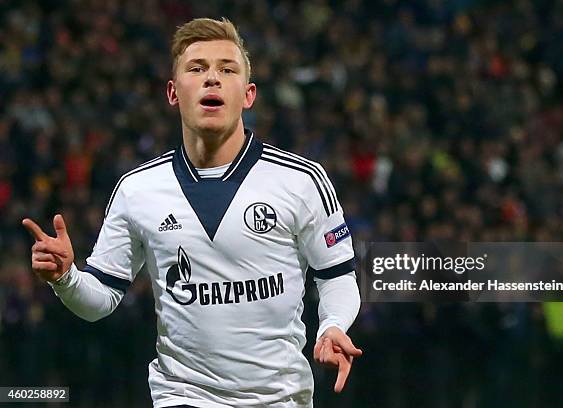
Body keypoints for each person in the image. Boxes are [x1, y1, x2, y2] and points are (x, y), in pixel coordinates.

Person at [22, 17, 362, 408]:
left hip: (281, 399)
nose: (212, 79)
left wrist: (333, 325)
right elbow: (100, 299)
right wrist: (66, 277)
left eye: (227, 69)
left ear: (249, 95)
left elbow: (336, 276)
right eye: (197, 68)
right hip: (182, 396)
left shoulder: (301, 181)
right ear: (173, 92)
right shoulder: (138, 190)